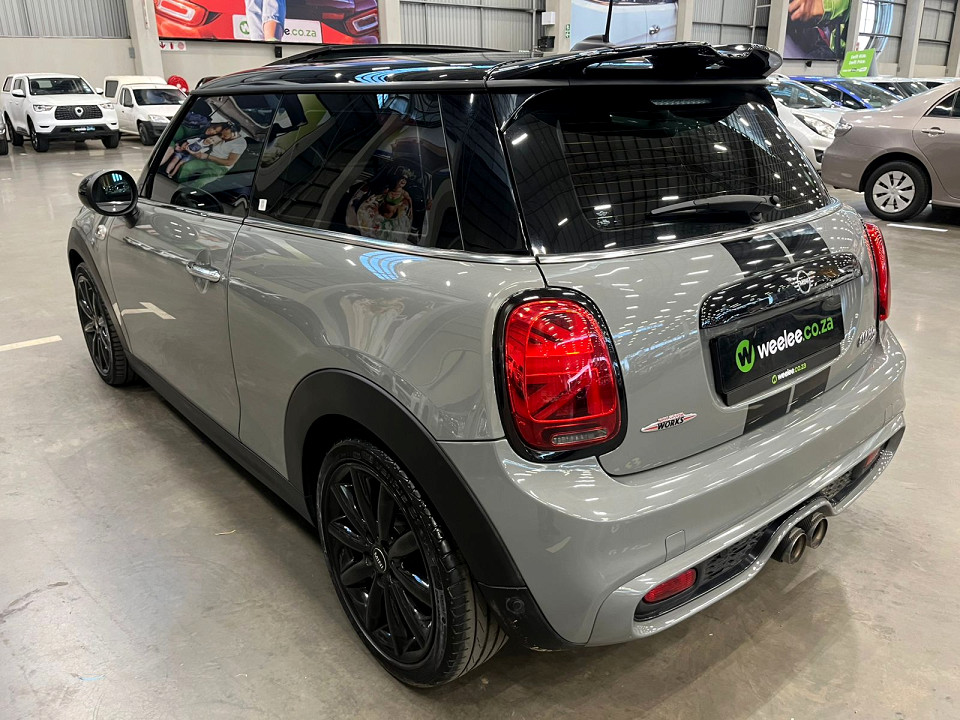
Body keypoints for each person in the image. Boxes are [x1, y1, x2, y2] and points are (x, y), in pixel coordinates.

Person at [177, 122, 248, 187]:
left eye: (225, 136)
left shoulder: (240, 144)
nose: (222, 137)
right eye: (222, 134)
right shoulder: (221, 133)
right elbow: (204, 138)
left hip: (220, 167)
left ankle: (188, 191)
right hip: (206, 160)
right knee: (186, 167)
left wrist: (208, 156)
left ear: (234, 134)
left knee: (201, 181)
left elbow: (229, 162)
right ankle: (181, 185)